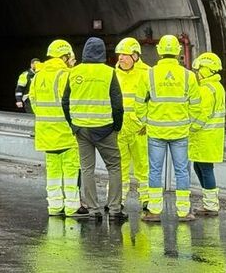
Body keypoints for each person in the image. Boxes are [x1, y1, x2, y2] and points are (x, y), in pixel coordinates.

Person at [136, 34, 204, 222]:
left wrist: (146, 121)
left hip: (155, 132)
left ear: (159, 51)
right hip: (180, 133)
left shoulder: (148, 74)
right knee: (182, 171)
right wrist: (189, 124)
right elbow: (196, 105)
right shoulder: (188, 76)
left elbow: (139, 103)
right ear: (178, 51)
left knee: (154, 171)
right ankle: (183, 211)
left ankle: (154, 211)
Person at [62, 37, 125, 220]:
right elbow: (117, 104)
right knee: (114, 167)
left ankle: (93, 210)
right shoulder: (109, 72)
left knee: (87, 168)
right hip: (105, 128)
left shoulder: (74, 72)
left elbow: (65, 101)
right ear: (102, 53)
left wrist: (73, 124)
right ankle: (114, 209)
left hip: (81, 129)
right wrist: (117, 126)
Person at [29, 40, 87, 218]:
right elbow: (74, 104)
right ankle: (72, 207)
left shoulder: (38, 76)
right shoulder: (66, 75)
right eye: (70, 57)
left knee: (53, 171)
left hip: (46, 133)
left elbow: (33, 102)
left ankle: (54, 207)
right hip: (66, 133)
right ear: (65, 56)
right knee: (71, 170)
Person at [114, 37, 150, 211]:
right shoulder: (113, 74)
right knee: (119, 166)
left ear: (135, 56)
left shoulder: (147, 73)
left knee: (143, 166)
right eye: (119, 54)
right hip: (119, 129)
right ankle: (117, 200)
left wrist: (147, 123)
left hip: (140, 129)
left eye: (125, 54)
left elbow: (155, 101)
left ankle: (147, 199)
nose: (120, 58)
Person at [189, 52, 226, 216]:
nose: (197, 73)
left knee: (205, 169)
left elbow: (202, 115)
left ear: (207, 69)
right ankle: (209, 203)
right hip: (211, 137)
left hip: (204, 136)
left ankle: (210, 205)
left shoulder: (206, 89)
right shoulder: (217, 87)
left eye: (199, 69)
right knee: (200, 167)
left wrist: (189, 129)